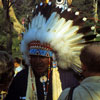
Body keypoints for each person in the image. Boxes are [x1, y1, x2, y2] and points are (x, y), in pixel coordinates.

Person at [5, 1, 96, 100]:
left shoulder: (69, 78)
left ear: (52, 57)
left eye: (43, 56)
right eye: (34, 56)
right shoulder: (21, 78)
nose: (38, 61)